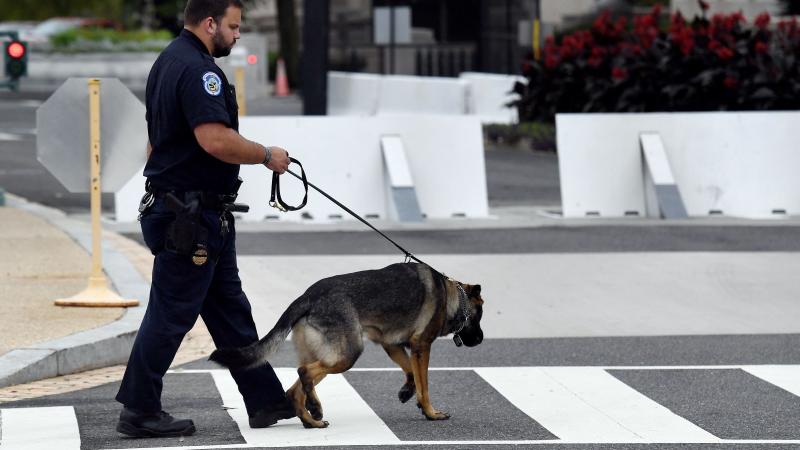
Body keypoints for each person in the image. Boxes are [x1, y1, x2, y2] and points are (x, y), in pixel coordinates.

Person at [115, 0, 293, 438]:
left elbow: (159, 141)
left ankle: (266, 401)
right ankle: (139, 410)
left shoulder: (168, 61)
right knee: (171, 314)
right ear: (210, 23)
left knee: (230, 310)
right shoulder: (200, 71)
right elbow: (214, 139)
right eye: (233, 27)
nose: (236, 35)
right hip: (190, 218)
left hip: (193, 212)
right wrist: (266, 155)